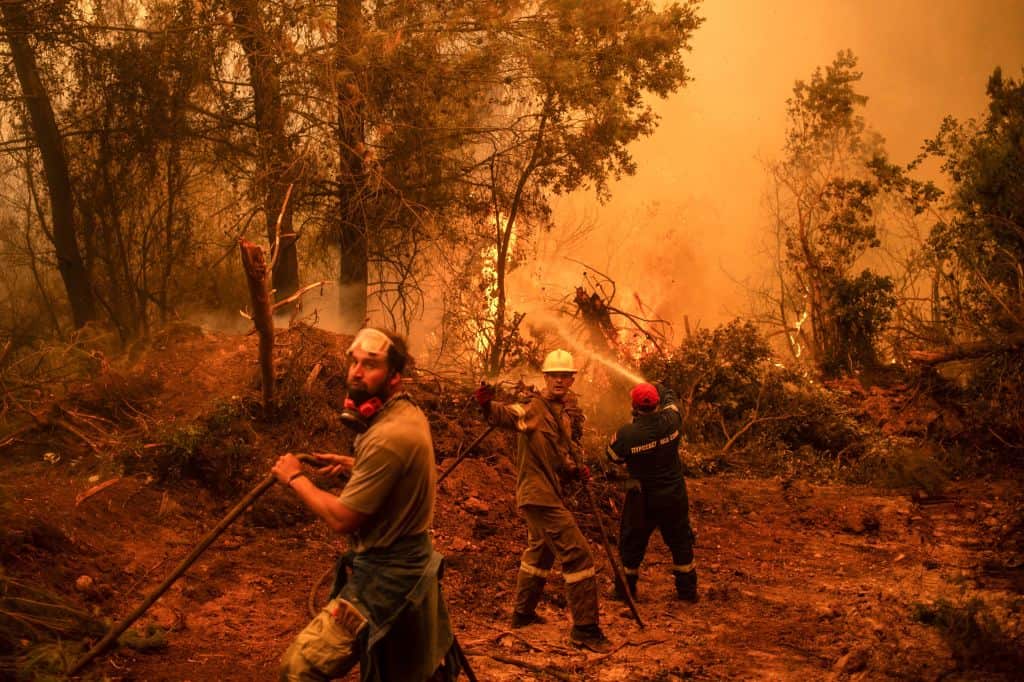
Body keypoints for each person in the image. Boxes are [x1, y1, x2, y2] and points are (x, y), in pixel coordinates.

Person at [272, 327, 461, 681]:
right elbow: (397, 473)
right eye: (353, 361)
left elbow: (343, 518)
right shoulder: (404, 414)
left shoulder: (387, 437)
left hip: (385, 578)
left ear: (395, 376)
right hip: (408, 563)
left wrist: (295, 478)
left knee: (298, 668)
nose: (356, 372)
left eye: (370, 365)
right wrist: (354, 466)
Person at [473, 349, 611, 653]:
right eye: (554, 375)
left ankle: (522, 614)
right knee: (578, 554)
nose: (560, 380)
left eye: (565, 375)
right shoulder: (534, 408)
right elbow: (507, 415)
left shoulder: (559, 414)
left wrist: (576, 470)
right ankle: (585, 630)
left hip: (548, 492)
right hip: (539, 496)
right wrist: (486, 403)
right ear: (545, 377)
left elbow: (559, 457)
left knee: (541, 552)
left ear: (572, 379)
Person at [605, 381, 697, 602]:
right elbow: (672, 401)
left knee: (632, 542)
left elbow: (613, 457)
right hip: (673, 494)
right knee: (680, 541)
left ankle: (625, 591)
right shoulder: (672, 421)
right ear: (657, 403)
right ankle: (687, 592)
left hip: (642, 498)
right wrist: (659, 387)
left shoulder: (627, 434)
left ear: (634, 407)